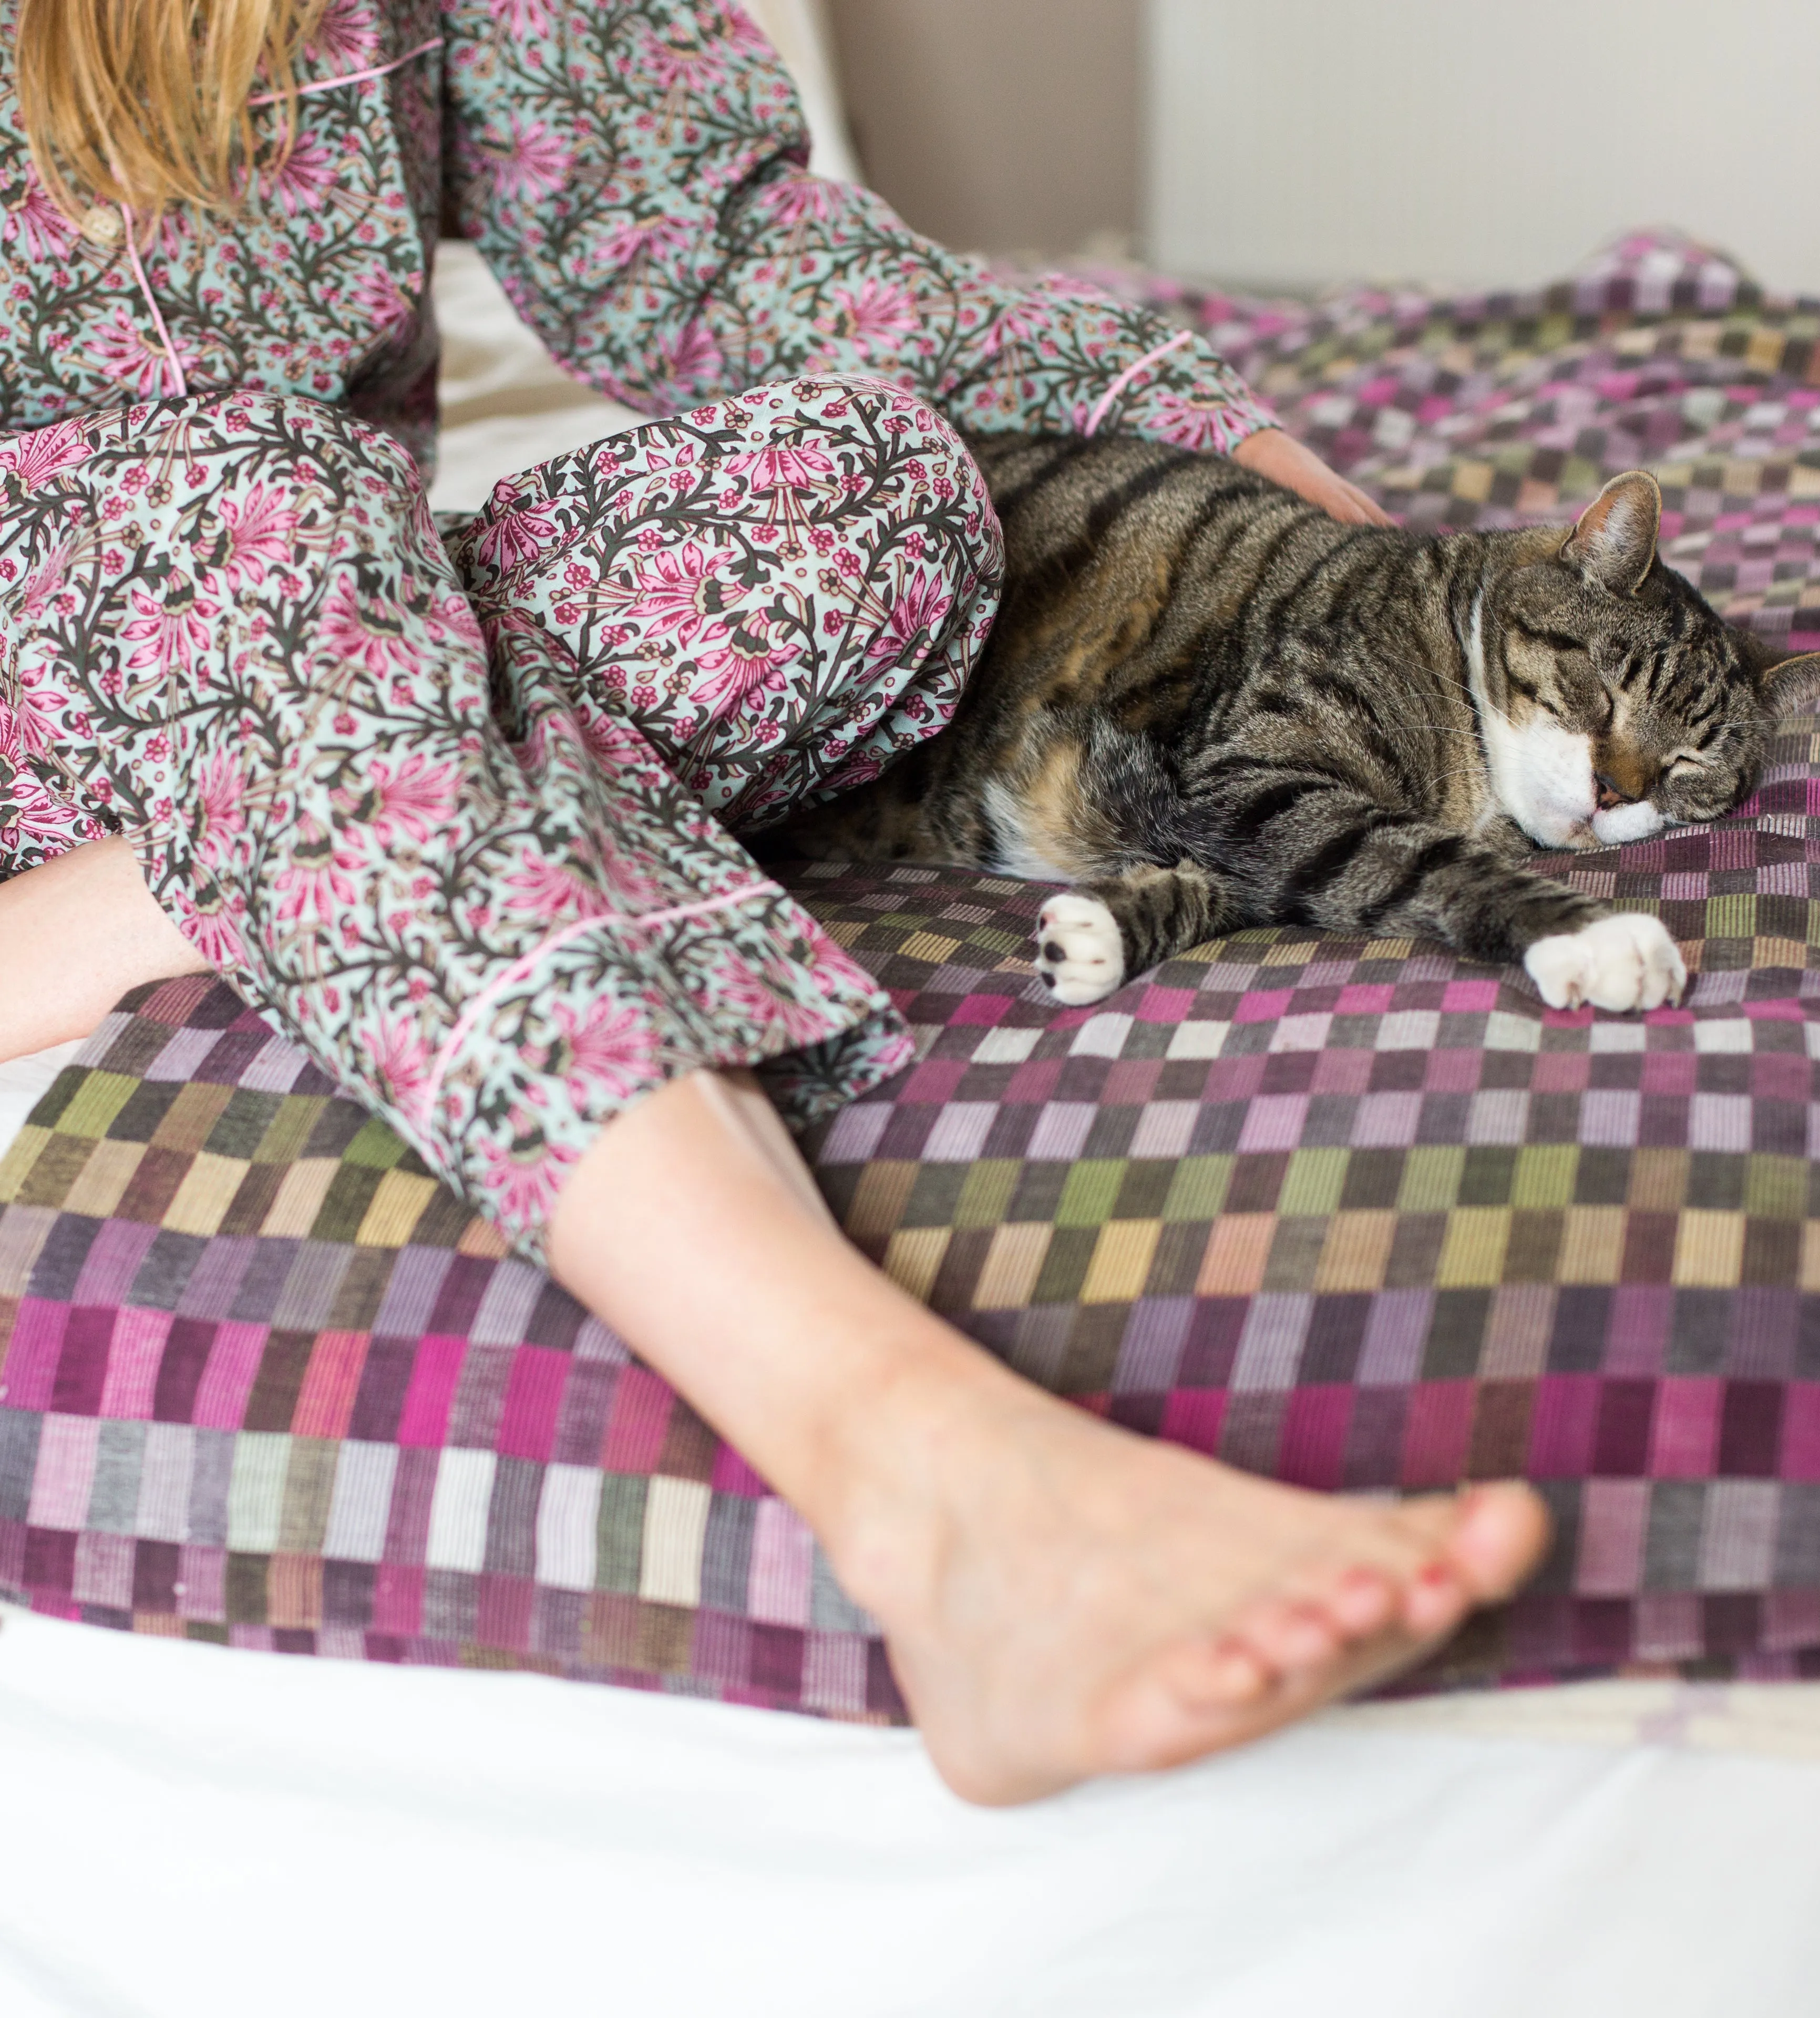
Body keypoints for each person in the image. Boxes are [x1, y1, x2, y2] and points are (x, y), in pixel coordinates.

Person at [0, 0, 1548, 1804]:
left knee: (873, 494)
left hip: (318, 627)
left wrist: (1151, 412)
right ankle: (924, 1473)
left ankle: (198, 866)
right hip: (200, 575)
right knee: (233, 479)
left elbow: (701, 233)